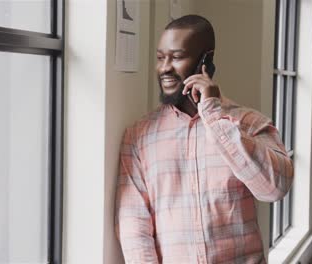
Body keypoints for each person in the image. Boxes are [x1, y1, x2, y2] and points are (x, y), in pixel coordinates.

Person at [115, 15, 294, 264]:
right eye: (160, 57)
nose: (165, 67)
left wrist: (213, 116)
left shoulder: (250, 123)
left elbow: (274, 188)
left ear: (205, 62)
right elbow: (133, 226)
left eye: (176, 57)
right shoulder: (139, 136)